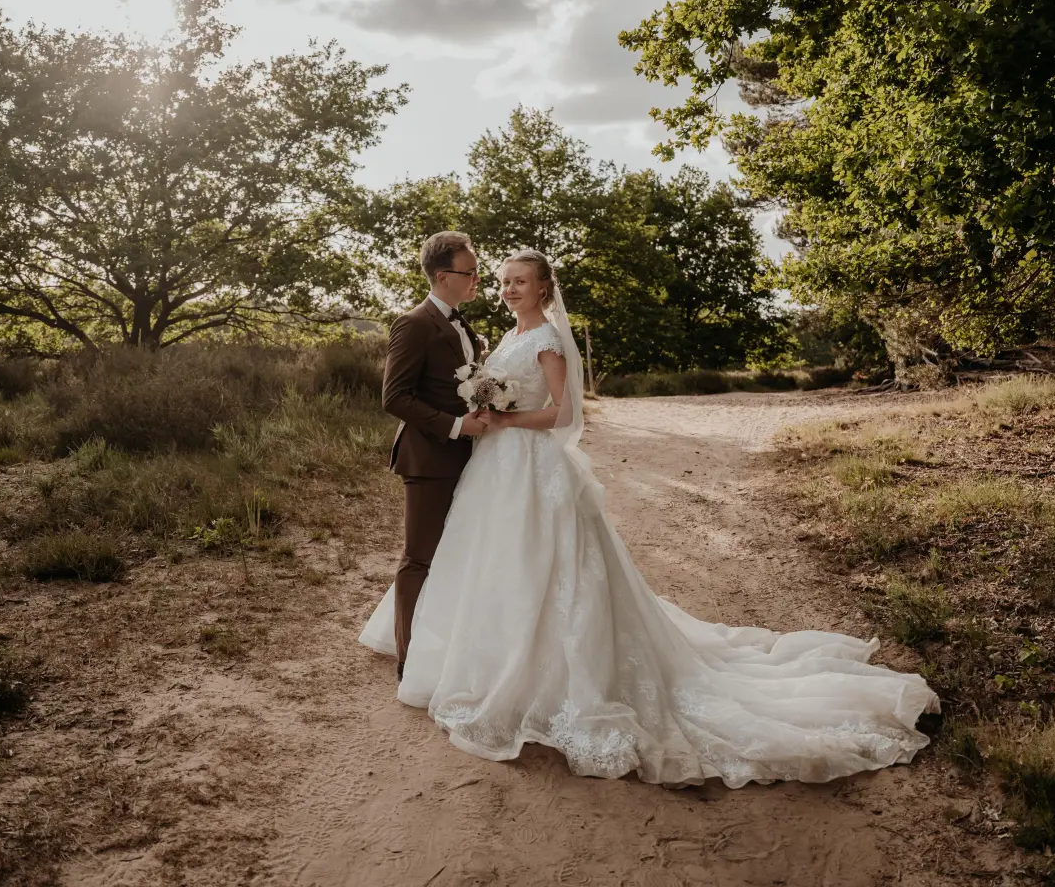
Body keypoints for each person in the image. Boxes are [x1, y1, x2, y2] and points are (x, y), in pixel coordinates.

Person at [363, 247, 940, 786]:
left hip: (527, 462)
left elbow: (563, 416)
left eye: (520, 280)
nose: (508, 287)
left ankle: (550, 677)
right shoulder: (502, 331)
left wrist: (507, 420)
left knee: (547, 564)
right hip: (496, 466)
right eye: (502, 280)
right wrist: (485, 413)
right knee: (496, 564)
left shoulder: (546, 339)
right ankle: (486, 660)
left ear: (545, 286)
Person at [380, 231, 489, 679]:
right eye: (470, 272)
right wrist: (457, 425)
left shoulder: (464, 326)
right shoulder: (414, 323)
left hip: (471, 458)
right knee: (419, 557)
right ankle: (408, 658)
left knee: (461, 553)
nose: (477, 279)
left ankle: (449, 645)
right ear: (443, 276)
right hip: (429, 458)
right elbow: (395, 397)